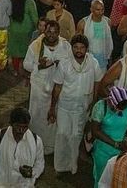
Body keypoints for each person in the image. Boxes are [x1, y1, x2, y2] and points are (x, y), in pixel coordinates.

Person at [48, 35, 102, 175]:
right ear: (71, 48)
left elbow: (97, 84)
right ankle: (59, 167)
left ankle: (72, 165)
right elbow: (57, 87)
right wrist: (52, 108)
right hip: (64, 106)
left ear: (86, 49)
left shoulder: (93, 63)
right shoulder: (65, 64)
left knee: (75, 136)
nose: (79, 50)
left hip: (82, 107)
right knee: (62, 134)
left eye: (82, 47)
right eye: (76, 47)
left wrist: (94, 102)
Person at [22, 20, 72, 155]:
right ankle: (35, 145)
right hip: (39, 88)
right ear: (44, 31)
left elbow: (69, 63)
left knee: (53, 117)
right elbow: (26, 64)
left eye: (55, 32)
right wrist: (39, 66)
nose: (51, 35)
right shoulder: (36, 45)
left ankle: (50, 147)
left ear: (58, 33)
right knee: (37, 116)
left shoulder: (65, 46)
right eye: (49, 32)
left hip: (56, 88)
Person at [0, 107, 44, 188]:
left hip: (25, 185)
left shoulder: (36, 141)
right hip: (2, 183)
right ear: (11, 124)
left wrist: (32, 173)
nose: (21, 130)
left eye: (25, 127)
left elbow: (40, 163)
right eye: (18, 126)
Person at [90, 86, 127, 185]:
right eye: (118, 107)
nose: (121, 110)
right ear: (112, 101)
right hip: (103, 151)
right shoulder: (100, 107)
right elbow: (95, 130)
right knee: (102, 178)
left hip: (122, 152)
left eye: (123, 108)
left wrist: (126, 138)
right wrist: (115, 144)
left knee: (118, 179)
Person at [7, 0, 38, 76]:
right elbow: (35, 18)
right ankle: (25, 70)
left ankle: (15, 70)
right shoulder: (30, 2)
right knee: (25, 51)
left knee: (15, 52)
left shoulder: (12, 0)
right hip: (26, 32)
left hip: (13, 30)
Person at [77, 0, 113, 70]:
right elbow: (78, 42)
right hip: (88, 57)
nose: (101, 12)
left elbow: (108, 42)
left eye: (102, 10)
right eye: (98, 10)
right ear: (91, 9)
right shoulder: (83, 23)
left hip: (103, 58)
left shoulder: (108, 22)